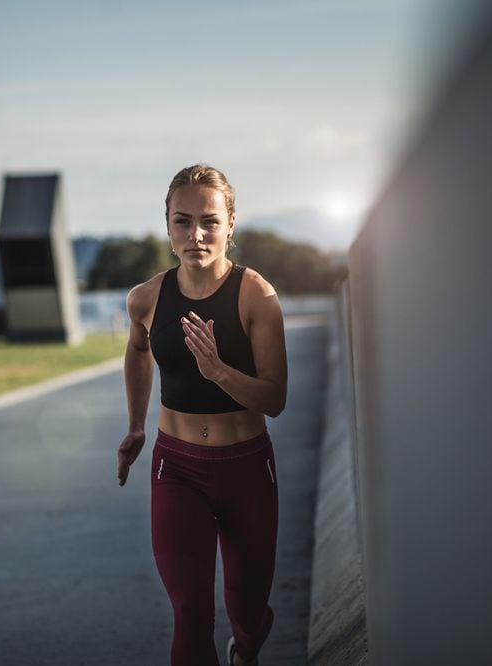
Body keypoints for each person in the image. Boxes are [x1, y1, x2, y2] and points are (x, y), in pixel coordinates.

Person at [117, 164, 288, 665]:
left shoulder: (257, 295)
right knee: (191, 613)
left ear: (231, 223)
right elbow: (137, 350)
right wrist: (135, 425)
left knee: (247, 611)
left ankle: (248, 644)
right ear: (167, 226)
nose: (196, 235)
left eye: (210, 221)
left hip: (248, 469)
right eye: (183, 221)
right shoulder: (146, 299)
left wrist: (218, 371)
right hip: (178, 470)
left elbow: (275, 399)